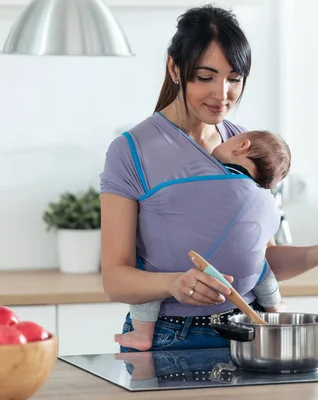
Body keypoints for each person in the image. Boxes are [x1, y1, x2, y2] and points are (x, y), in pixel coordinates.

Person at [99, 4, 318, 354]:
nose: (221, 93)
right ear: (174, 68)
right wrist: (174, 284)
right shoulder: (131, 150)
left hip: (249, 330)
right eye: (205, 76)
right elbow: (115, 279)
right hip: (169, 337)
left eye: (234, 79)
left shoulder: (248, 147)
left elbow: (261, 262)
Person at [113, 130, 291, 351]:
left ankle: (142, 333)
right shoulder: (263, 199)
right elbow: (266, 247)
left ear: (242, 145)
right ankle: (273, 308)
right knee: (262, 269)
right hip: (239, 289)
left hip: (180, 276)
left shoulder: (195, 171)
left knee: (148, 275)